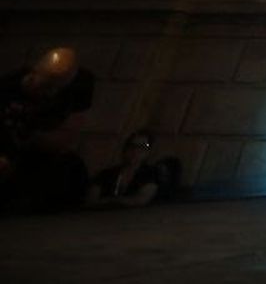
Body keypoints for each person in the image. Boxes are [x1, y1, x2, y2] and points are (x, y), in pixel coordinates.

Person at [0, 47, 95, 214]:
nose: (50, 92)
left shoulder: (75, 89)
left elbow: (67, 134)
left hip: (40, 148)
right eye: (46, 86)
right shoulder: (8, 88)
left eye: (56, 87)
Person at [85, 130, 166, 209]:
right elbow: (91, 199)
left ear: (148, 152)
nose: (135, 151)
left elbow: (141, 199)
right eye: (132, 146)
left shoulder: (152, 173)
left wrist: (111, 201)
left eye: (142, 147)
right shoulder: (107, 174)